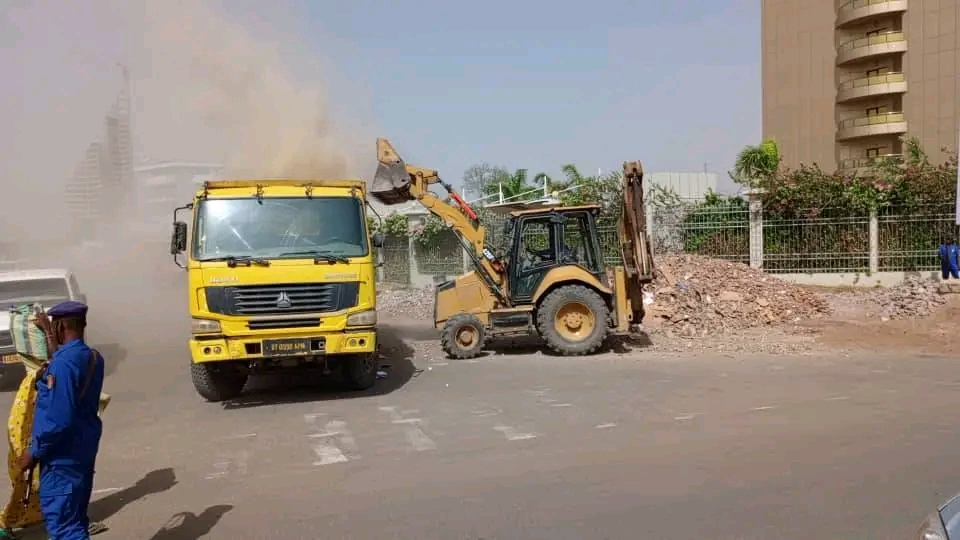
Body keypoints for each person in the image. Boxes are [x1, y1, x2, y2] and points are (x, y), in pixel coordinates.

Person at [15, 301, 105, 540]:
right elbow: (63, 360)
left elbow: (59, 419)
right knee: (75, 518)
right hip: (82, 451)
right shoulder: (93, 357)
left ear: (61, 325)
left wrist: (33, 452)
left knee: (65, 528)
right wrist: (47, 331)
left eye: (54, 325)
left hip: (61, 458)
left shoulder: (63, 365)